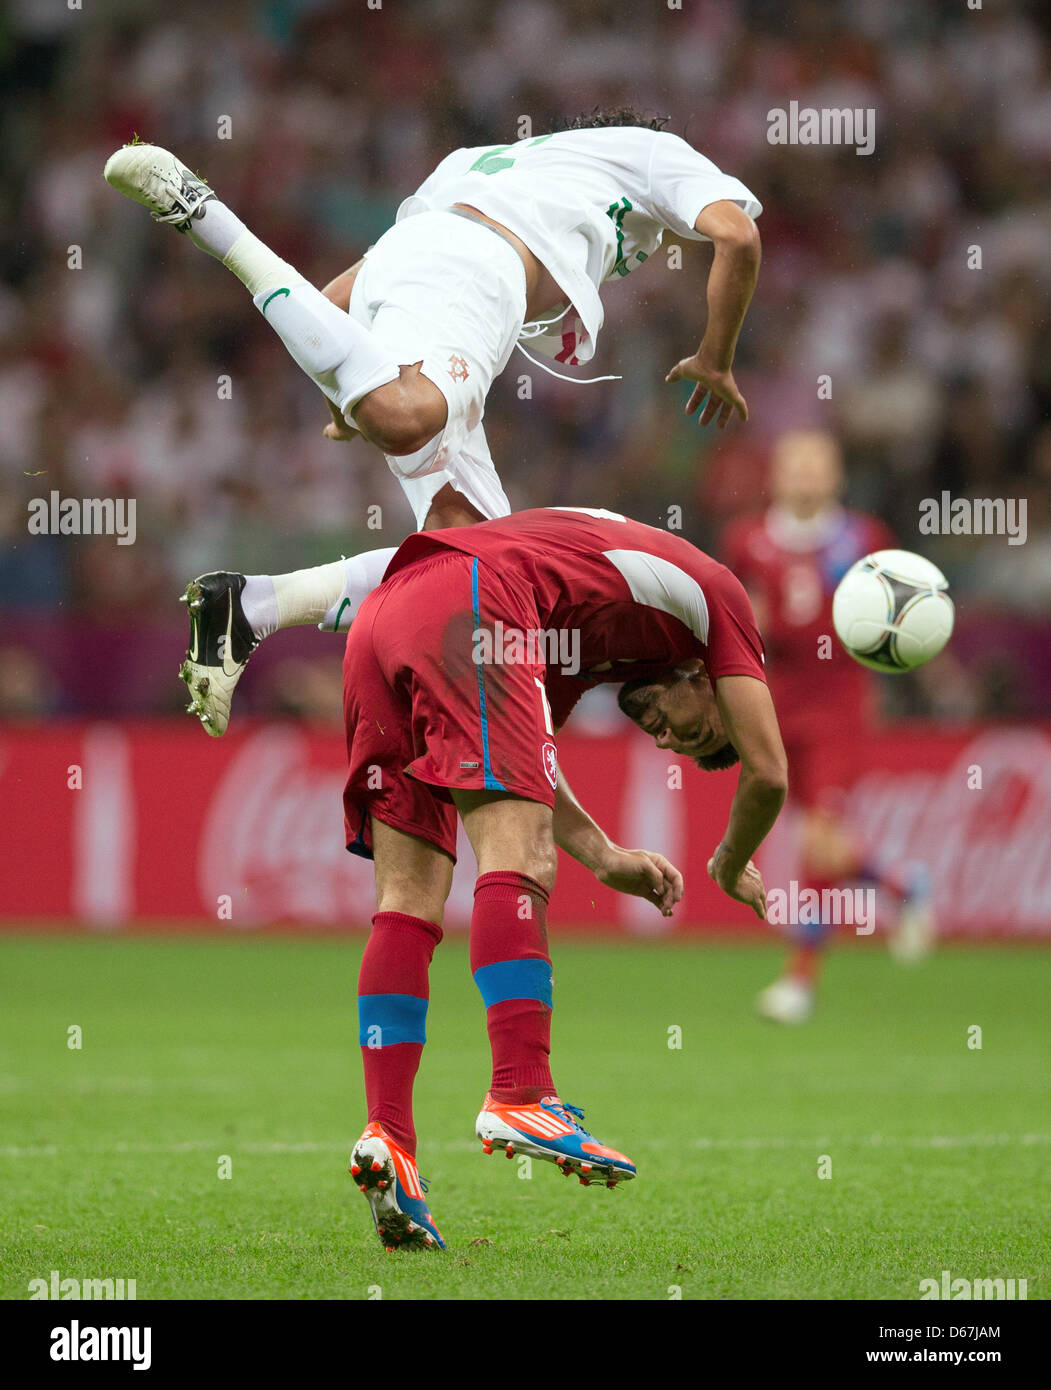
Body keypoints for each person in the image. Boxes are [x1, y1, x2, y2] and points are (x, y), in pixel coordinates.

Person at [102, 110, 762, 734]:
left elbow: (338, 295)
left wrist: (344, 389)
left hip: (415, 269)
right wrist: (716, 357)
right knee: (404, 417)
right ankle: (201, 212)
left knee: (475, 564)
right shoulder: (650, 150)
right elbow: (736, 235)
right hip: (476, 275)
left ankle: (249, 607)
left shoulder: (491, 166)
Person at [334, 504, 786, 1250]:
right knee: (521, 849)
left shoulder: (587, 642)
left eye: (675, 745)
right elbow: (768, 773)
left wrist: (605, 855)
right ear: (710, 680)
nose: (667, 736)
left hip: (384, 614)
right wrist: (730, 866)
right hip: (471, 595)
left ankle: (390, 1141)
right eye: (693, 726)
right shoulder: (719, 604)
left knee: (409, 896)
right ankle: (520, 1091)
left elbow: (530, 764)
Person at [721, 430, 935, 1024]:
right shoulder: (748, 540)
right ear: (777, 475)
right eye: (796, 465)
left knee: (818, 841)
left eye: (819, 466)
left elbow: (900, 620)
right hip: (771, 705)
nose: (807, 476)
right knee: (820, 841)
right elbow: (736, 616)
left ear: (837, 477)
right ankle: (902, 885)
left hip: (839, 703)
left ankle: (800, 982)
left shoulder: (867, 541)